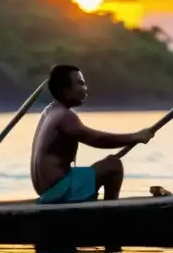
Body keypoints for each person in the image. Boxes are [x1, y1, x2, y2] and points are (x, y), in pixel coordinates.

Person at [30, 64, 156, 204]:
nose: (85, 88)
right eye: (80, 84)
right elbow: (97, 139)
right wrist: (136, 136)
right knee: (113, 165)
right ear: (66, 90)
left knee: (105, 163)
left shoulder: (49, 111)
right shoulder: (64, 116)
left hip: (47, 191)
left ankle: (92, 201)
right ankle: (111, 212)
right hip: (60, 191)